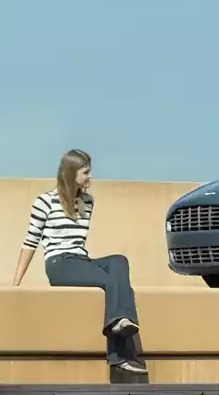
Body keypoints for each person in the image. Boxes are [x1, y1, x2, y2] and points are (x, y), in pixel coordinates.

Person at [13, 149, 147, 374]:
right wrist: (16, 282)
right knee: (113, 282)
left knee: (118, 262)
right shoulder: (45, 202)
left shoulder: (88, 202)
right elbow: (30, 241)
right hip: (59, 264)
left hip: (81, 261)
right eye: (85, 172)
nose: (90, 176)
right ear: (71, 173)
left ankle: (121, 324)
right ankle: (121, 355)